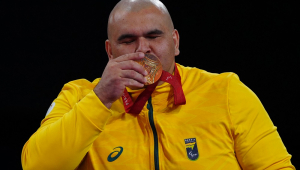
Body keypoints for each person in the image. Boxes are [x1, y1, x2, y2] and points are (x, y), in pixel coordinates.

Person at [21, 0, 295, 169]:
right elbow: (37, 166)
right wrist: (101, 98)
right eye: (128, 40)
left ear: (175, 42)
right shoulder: (79, 96)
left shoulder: (226, 91)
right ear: (109, 51)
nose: (143, 50)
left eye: (155, 36)